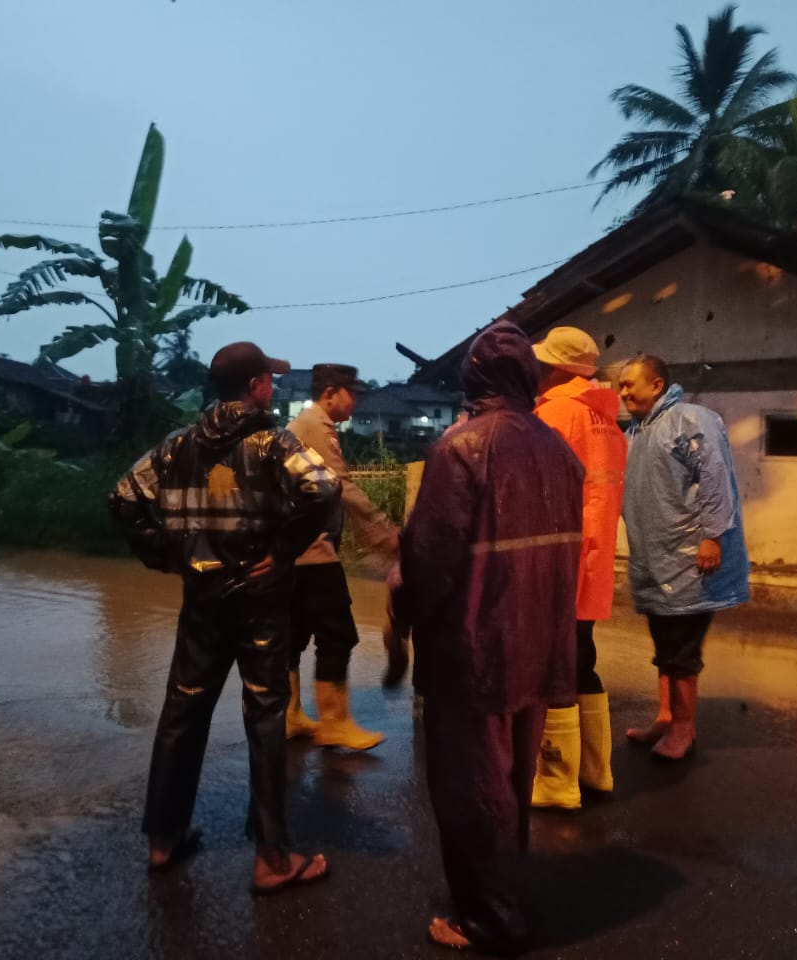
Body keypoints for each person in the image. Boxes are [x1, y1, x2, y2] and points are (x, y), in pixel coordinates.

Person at [109, 341, 340, 895]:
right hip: (259, 596)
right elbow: (324, 488)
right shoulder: (272, 441)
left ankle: (163, 840)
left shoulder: (178, 445)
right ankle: (271, 858)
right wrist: (282, 551)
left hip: (202, 595)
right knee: (264, 714)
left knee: (183, 709)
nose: (274, 389)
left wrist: (166, 554)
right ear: (257, 385)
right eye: (270, 381)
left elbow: (122, 497)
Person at [390, 321, 583, 953]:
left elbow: (429, 558)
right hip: (537, 643)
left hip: (474, 650)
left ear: (474, 378)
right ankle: (505, 893)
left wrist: (403, 610)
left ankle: (489, 918)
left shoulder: (461, 447)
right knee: (511, 786)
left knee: (473, 788)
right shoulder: (559, 451)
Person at [617, 354, 750, 761]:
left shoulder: (690, 419)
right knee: (665, 642)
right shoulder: (640, 429)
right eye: (620, 386)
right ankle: (665, 716)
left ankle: (683, 728)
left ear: (656, 385)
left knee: (681, 648)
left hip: (691, 557)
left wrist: (713, 537)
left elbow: (715, 477)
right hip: (657, 558)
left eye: (629, 384)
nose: (622, 393)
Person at [529, 326, 627, 810]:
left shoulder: (554, 414)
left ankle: (556, 781)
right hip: (594, 556)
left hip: (558, 557)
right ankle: (596, 770)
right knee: (582, 658)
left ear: (556, 369)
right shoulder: (605, 418)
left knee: (556, 664)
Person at [286, 363, 400, 750]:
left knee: (295, 634)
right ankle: (335, 723)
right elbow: (342, 489)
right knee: (338, 634)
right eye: (353, 393)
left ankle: (289, 715)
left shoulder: (305, 423)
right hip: (311, 550)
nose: (357, 400)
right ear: (331, 393)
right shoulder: (316, 426)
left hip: (294, 549)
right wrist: (386, 534)